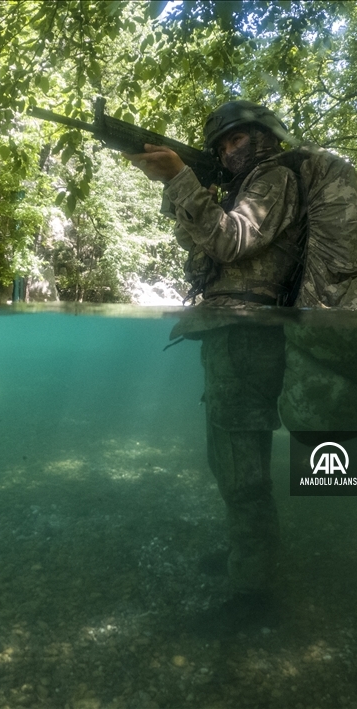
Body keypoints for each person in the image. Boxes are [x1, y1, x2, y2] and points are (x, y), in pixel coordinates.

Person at [125, 101, 303, 634]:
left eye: (237, 139)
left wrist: (180, 178)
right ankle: (249, 556)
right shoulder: (240, 189)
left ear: (265, 136)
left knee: (242, 472)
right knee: (226, 460)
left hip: (250, 336)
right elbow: (200, 245)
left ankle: (253, 592)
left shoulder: (274, 178)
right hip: (229, 334)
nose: (228, 151)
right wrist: (179, 187)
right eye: (221, 145)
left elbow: (232, 239)